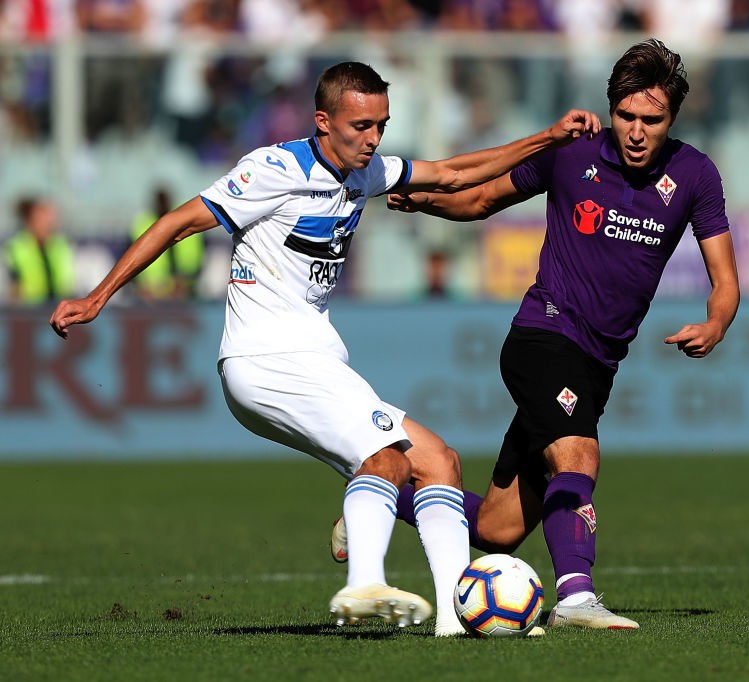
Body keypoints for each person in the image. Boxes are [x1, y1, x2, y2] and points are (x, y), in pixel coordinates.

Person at [49, 60, 600, 637]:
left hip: (314, 360)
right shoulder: (275, 167)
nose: (373, 138)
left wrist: (548, 137)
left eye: (381, 125)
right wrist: (97, 299)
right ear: (323, 120)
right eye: (360, 126)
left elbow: (454, 174)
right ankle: (363, 585)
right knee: (385, 460)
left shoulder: (367, 172)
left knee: (439, 461)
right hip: (265, 358)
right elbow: (176, 223)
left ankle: (456, 619)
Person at [333, 38, 741, 630]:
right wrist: (421, 201)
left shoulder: (696, 173)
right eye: (625, 115)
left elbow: (725, 279)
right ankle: (576, 597)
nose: (635, 131)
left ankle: (373, 496)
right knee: (577, 454)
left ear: (671, 119)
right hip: (542, 336)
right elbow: (479, 199)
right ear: (610, 108)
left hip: (598, 362)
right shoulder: (571, 155)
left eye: (651, 120)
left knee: (498, 530)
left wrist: (716, 322)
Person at [4, 196, 76, 305]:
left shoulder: (61, 245)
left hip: (60, 305)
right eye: (42, 217)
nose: (49, 221)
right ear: (30, 220)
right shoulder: (16, 246)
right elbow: (13, 286)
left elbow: (68, 280)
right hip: (29, 310)